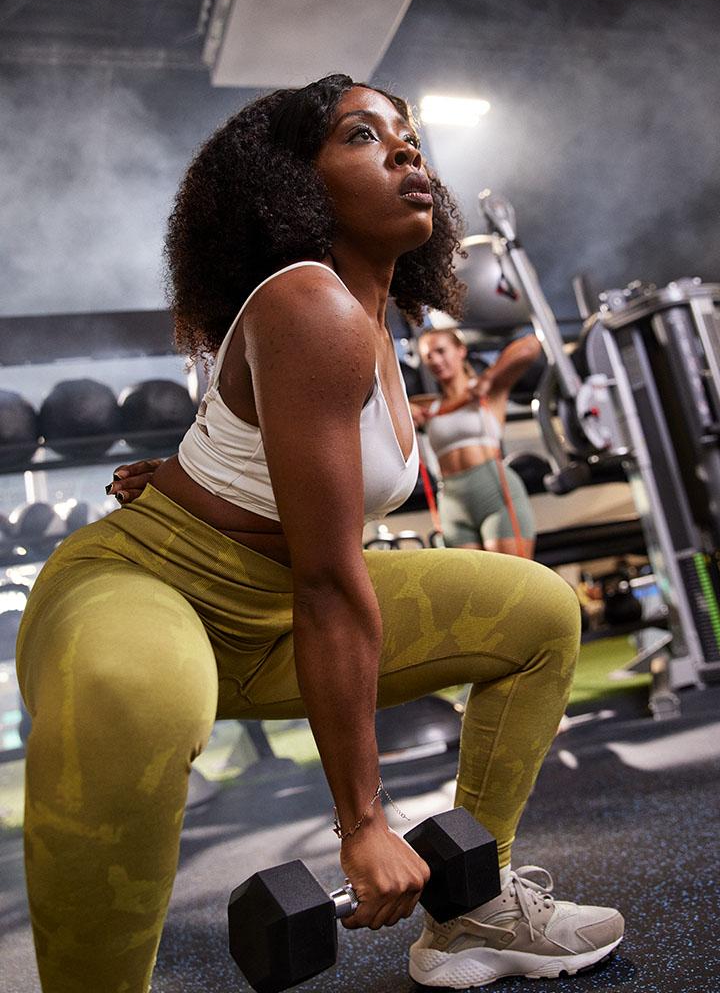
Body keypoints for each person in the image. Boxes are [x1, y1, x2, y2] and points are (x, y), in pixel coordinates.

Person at [16, 73, 623, 993]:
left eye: (408, 135)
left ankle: (471, 912)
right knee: (127, 689)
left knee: (538, 612)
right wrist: (364, 825)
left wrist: (177, 472)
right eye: (361, 136)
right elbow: (330, 582)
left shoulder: (379, 329)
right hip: (152, 590)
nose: (407, 150)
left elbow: (286, 508)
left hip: (271, 616)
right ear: (294, 186)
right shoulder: (308, 304)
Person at [411, 328, 541, 557]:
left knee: (511, 584)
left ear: (461, 351)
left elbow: (530, 346)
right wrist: (405, 408)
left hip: (493, 491)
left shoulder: (489, 392)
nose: (436, 360)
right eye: (428, 356)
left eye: (441, 351)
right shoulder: (429, 406)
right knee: (472, 590)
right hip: (451, 500)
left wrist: (488, 378)